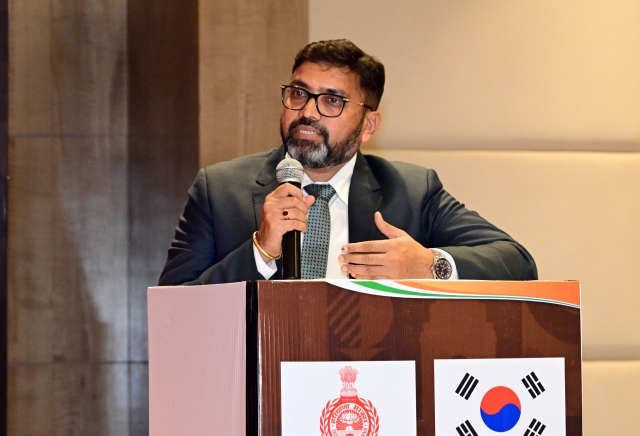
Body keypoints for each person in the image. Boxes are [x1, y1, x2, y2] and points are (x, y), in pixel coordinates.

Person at [158, 39, 537, 286]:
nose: (307, 111)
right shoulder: (219, 189)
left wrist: (426, 265)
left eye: (333, 101)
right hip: (256, 390)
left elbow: (518, 264)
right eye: (298, 93)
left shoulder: (412, 191)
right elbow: (171, 309)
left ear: (369, 123)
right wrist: (260, 251)